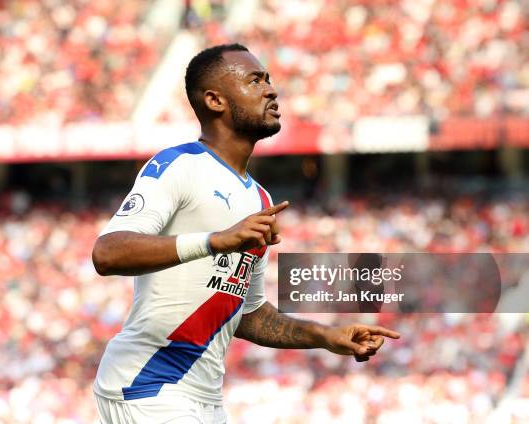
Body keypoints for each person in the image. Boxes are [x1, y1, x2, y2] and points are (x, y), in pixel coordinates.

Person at [91, 43, 400, 424]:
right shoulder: (179, 165)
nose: (271, 89)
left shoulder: (259, 198)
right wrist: (214, 240)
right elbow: (107, 253)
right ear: (215, 100)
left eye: (269, 79)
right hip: (147, 386)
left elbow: (247, 314)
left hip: (204, 398)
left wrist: (326, 336)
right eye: (255, 80)